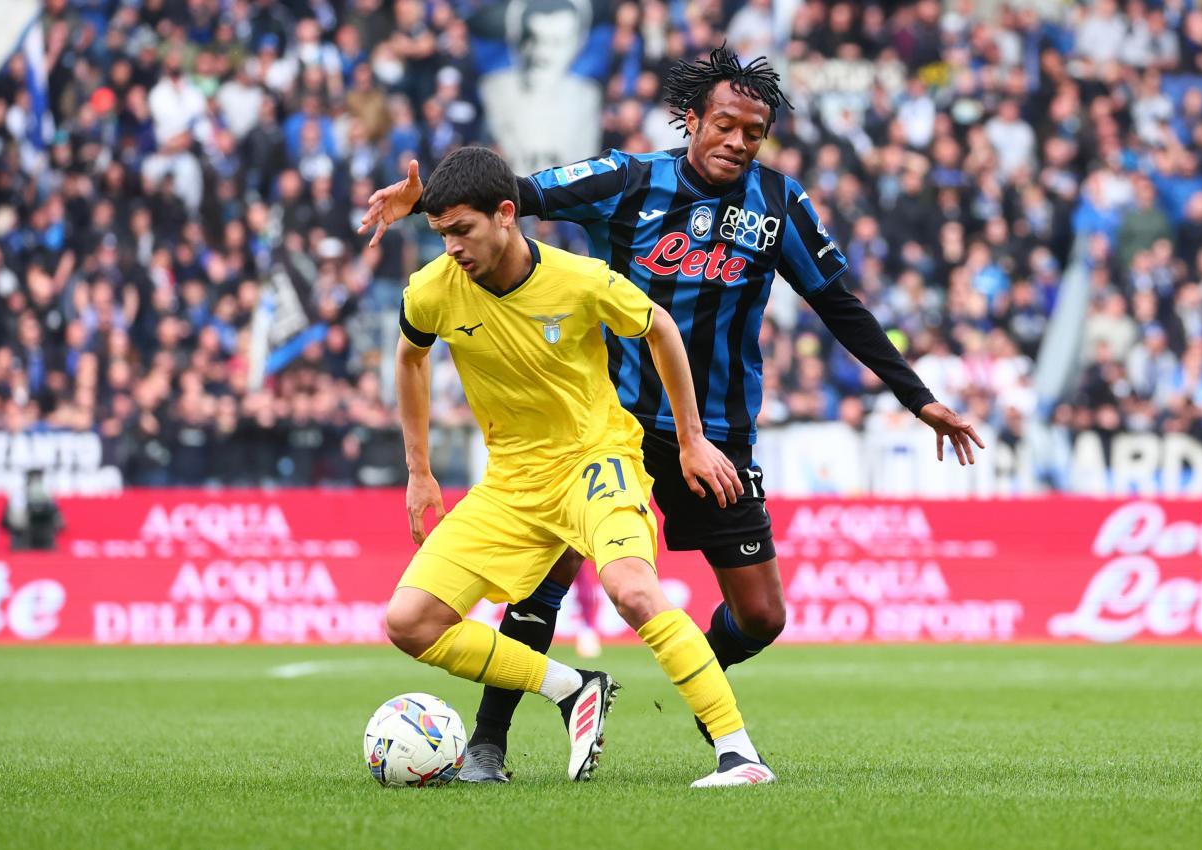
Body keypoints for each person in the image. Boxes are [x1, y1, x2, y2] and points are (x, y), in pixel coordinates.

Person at [362, 45, 984, 782]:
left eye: (754, 132)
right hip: (605, 425)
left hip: (713, 431)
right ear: (691, 119)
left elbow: (836, 304)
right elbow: (510, 196)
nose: (737, 142)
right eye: (724, 124)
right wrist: (421, 204)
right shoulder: (626, 180)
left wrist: (919, 398)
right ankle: (490, 744)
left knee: (761, 616)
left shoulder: (778, 204)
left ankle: (694, 674)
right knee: (539, 586)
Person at [385, 145, 775, 787]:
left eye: (463, 230)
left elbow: (661, 329)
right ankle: (572, 687)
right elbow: (409, 359)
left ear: (506, 214)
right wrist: (419, 470)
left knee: (632, 590)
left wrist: (690, 438)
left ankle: (740, 755)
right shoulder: (432, 292)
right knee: (410, 623)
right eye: (441, 233)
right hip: (512, 480)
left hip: (598, 461)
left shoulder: (582, 280)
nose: (451, 247)